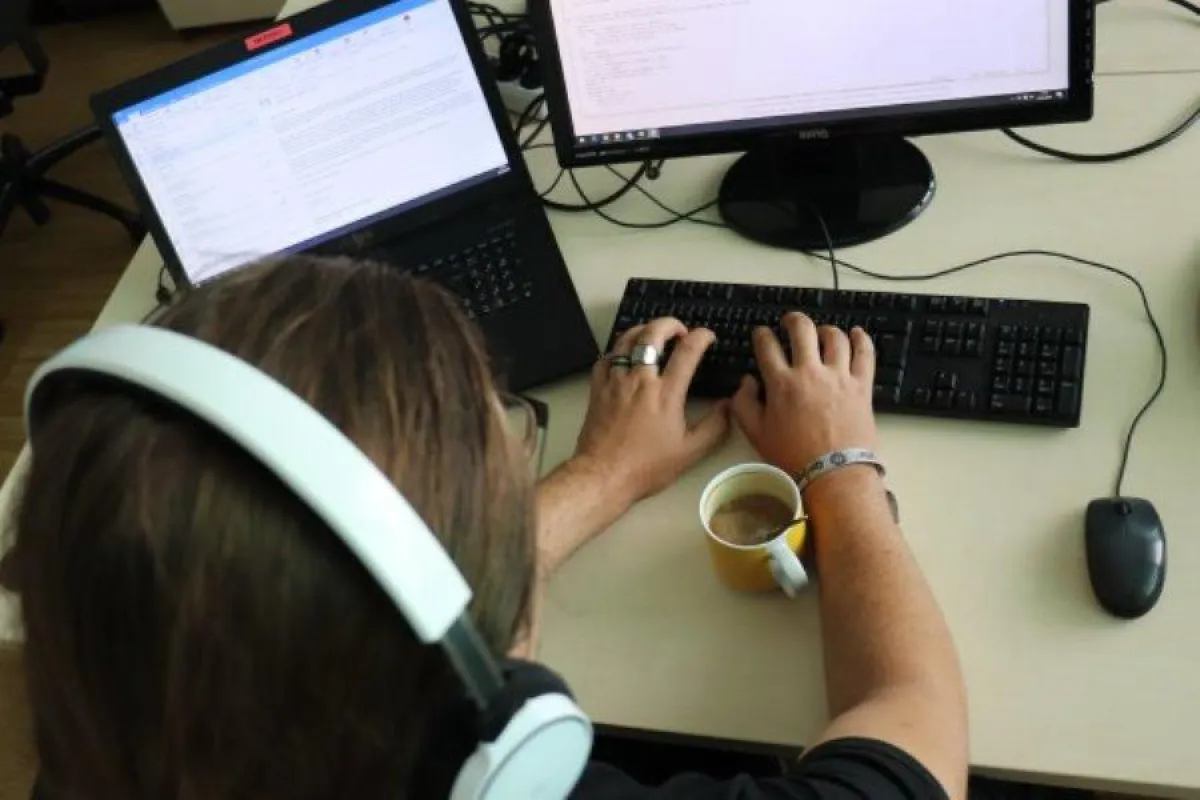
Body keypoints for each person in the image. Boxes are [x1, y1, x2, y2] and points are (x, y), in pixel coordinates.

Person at [1, 254, 967, 800]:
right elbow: (916, 733)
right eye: (506, 442)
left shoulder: (114, 738)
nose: (516, 471)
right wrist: (840, 467)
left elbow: (327, 589)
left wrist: (598, 476)